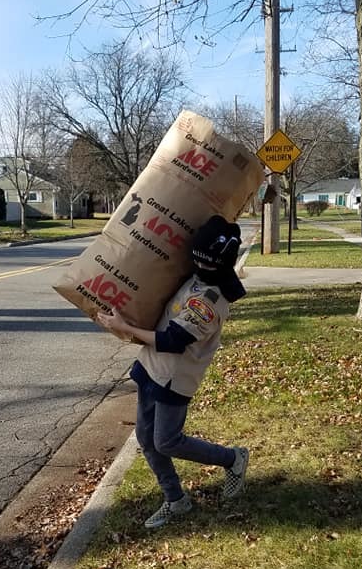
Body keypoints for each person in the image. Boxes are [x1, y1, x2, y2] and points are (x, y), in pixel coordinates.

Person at [97, 215, 249, 529]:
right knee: (145, 438)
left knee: (166, 441)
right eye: (197, 260)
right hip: (150, 368)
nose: (200, 267)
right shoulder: (196, 272)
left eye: (206, 264)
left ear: (219, 264)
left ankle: (232, 458)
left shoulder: (211, 300)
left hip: (174, 379)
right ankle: (176, 499)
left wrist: (125, 328)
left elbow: (173, 341)